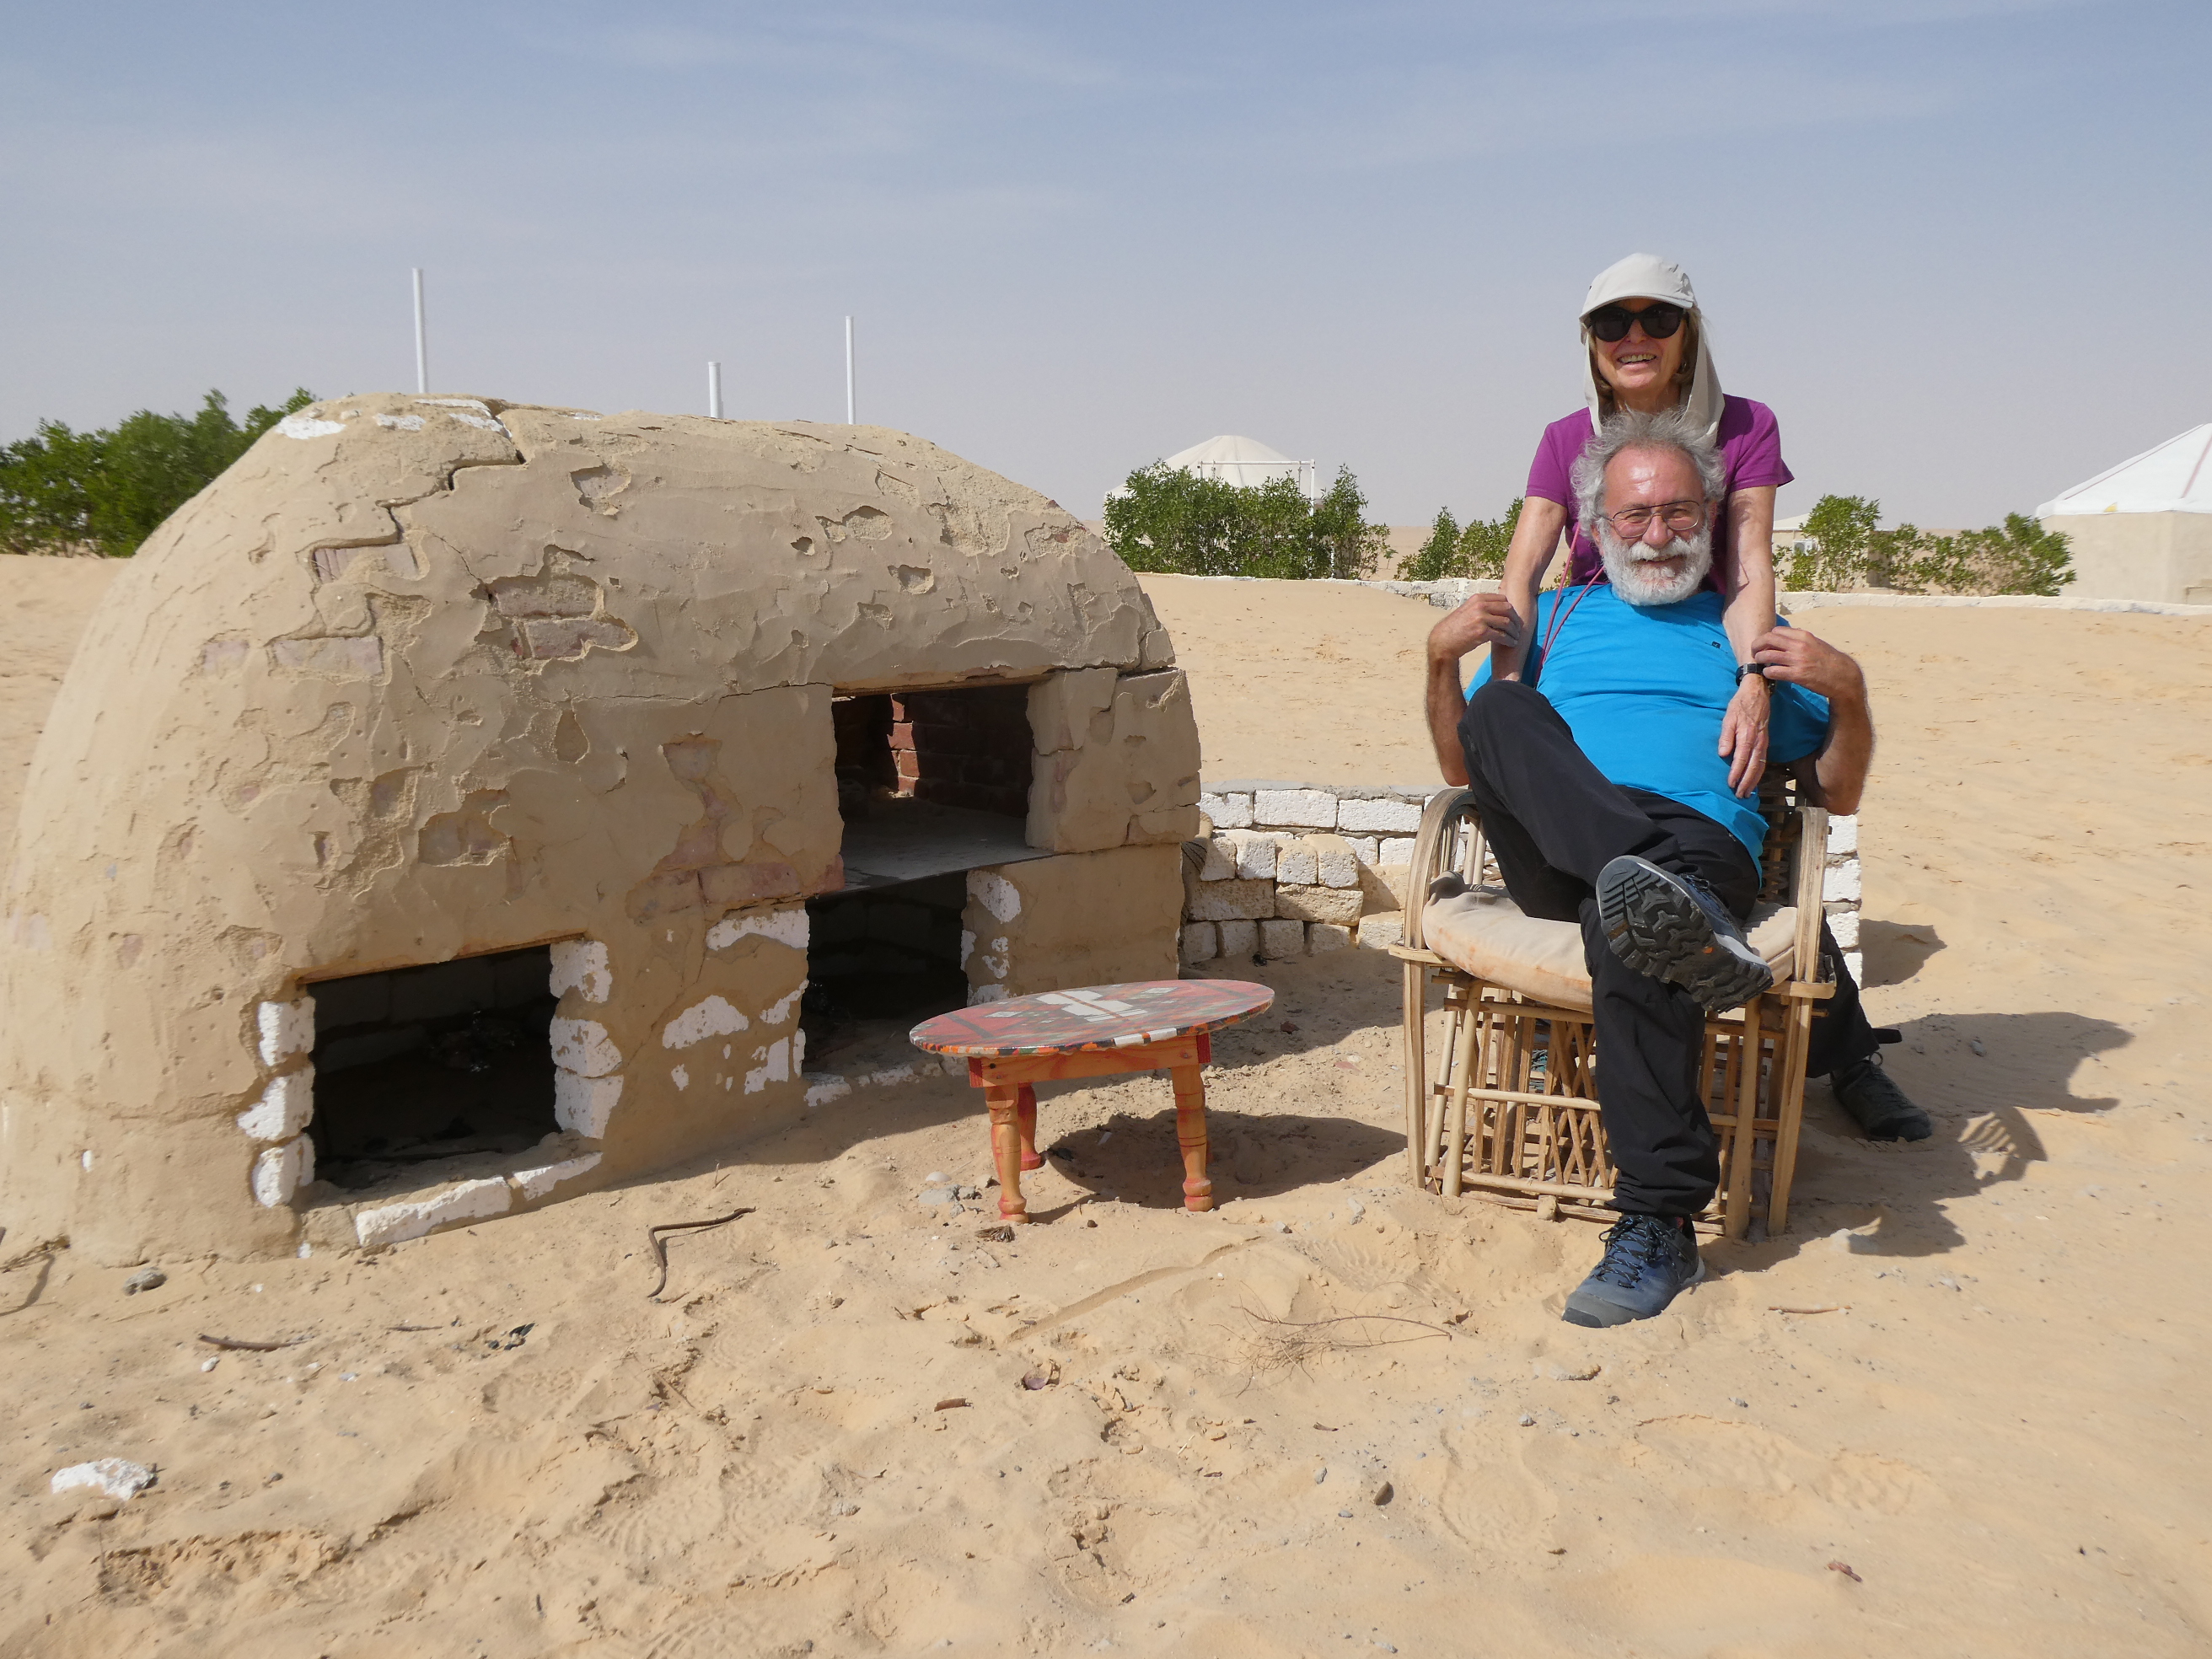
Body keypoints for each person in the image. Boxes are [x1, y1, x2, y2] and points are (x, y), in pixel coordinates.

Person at [1422, 408, 1928, 1329]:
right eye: (1634, 515)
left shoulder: (1747, 639)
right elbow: (1464, 766)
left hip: (1700, 839)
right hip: (1558, 845)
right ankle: (1663, 894)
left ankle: (1657, 1222)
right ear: (1597, 524)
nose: (1657, 534)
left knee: (1633, 929)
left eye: (1679, 512)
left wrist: (1847, 688)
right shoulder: (1550, 621)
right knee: (1496, 712)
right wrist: (1434, 663)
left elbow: (1839, 793)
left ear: (1709, 516)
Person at [1487, 254, 1785, 800]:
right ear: (1592, 344)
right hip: (1598, 624)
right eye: (1612, 323)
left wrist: (1753, 681)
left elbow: (1750, 565)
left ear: (1688, 336)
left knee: (1802, 703)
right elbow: (1521, 574)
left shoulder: (1748, 426)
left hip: (1711, 629)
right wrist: (1507, 692)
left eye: (1659, 319)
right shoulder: (1563, 439)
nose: (1635, 337)